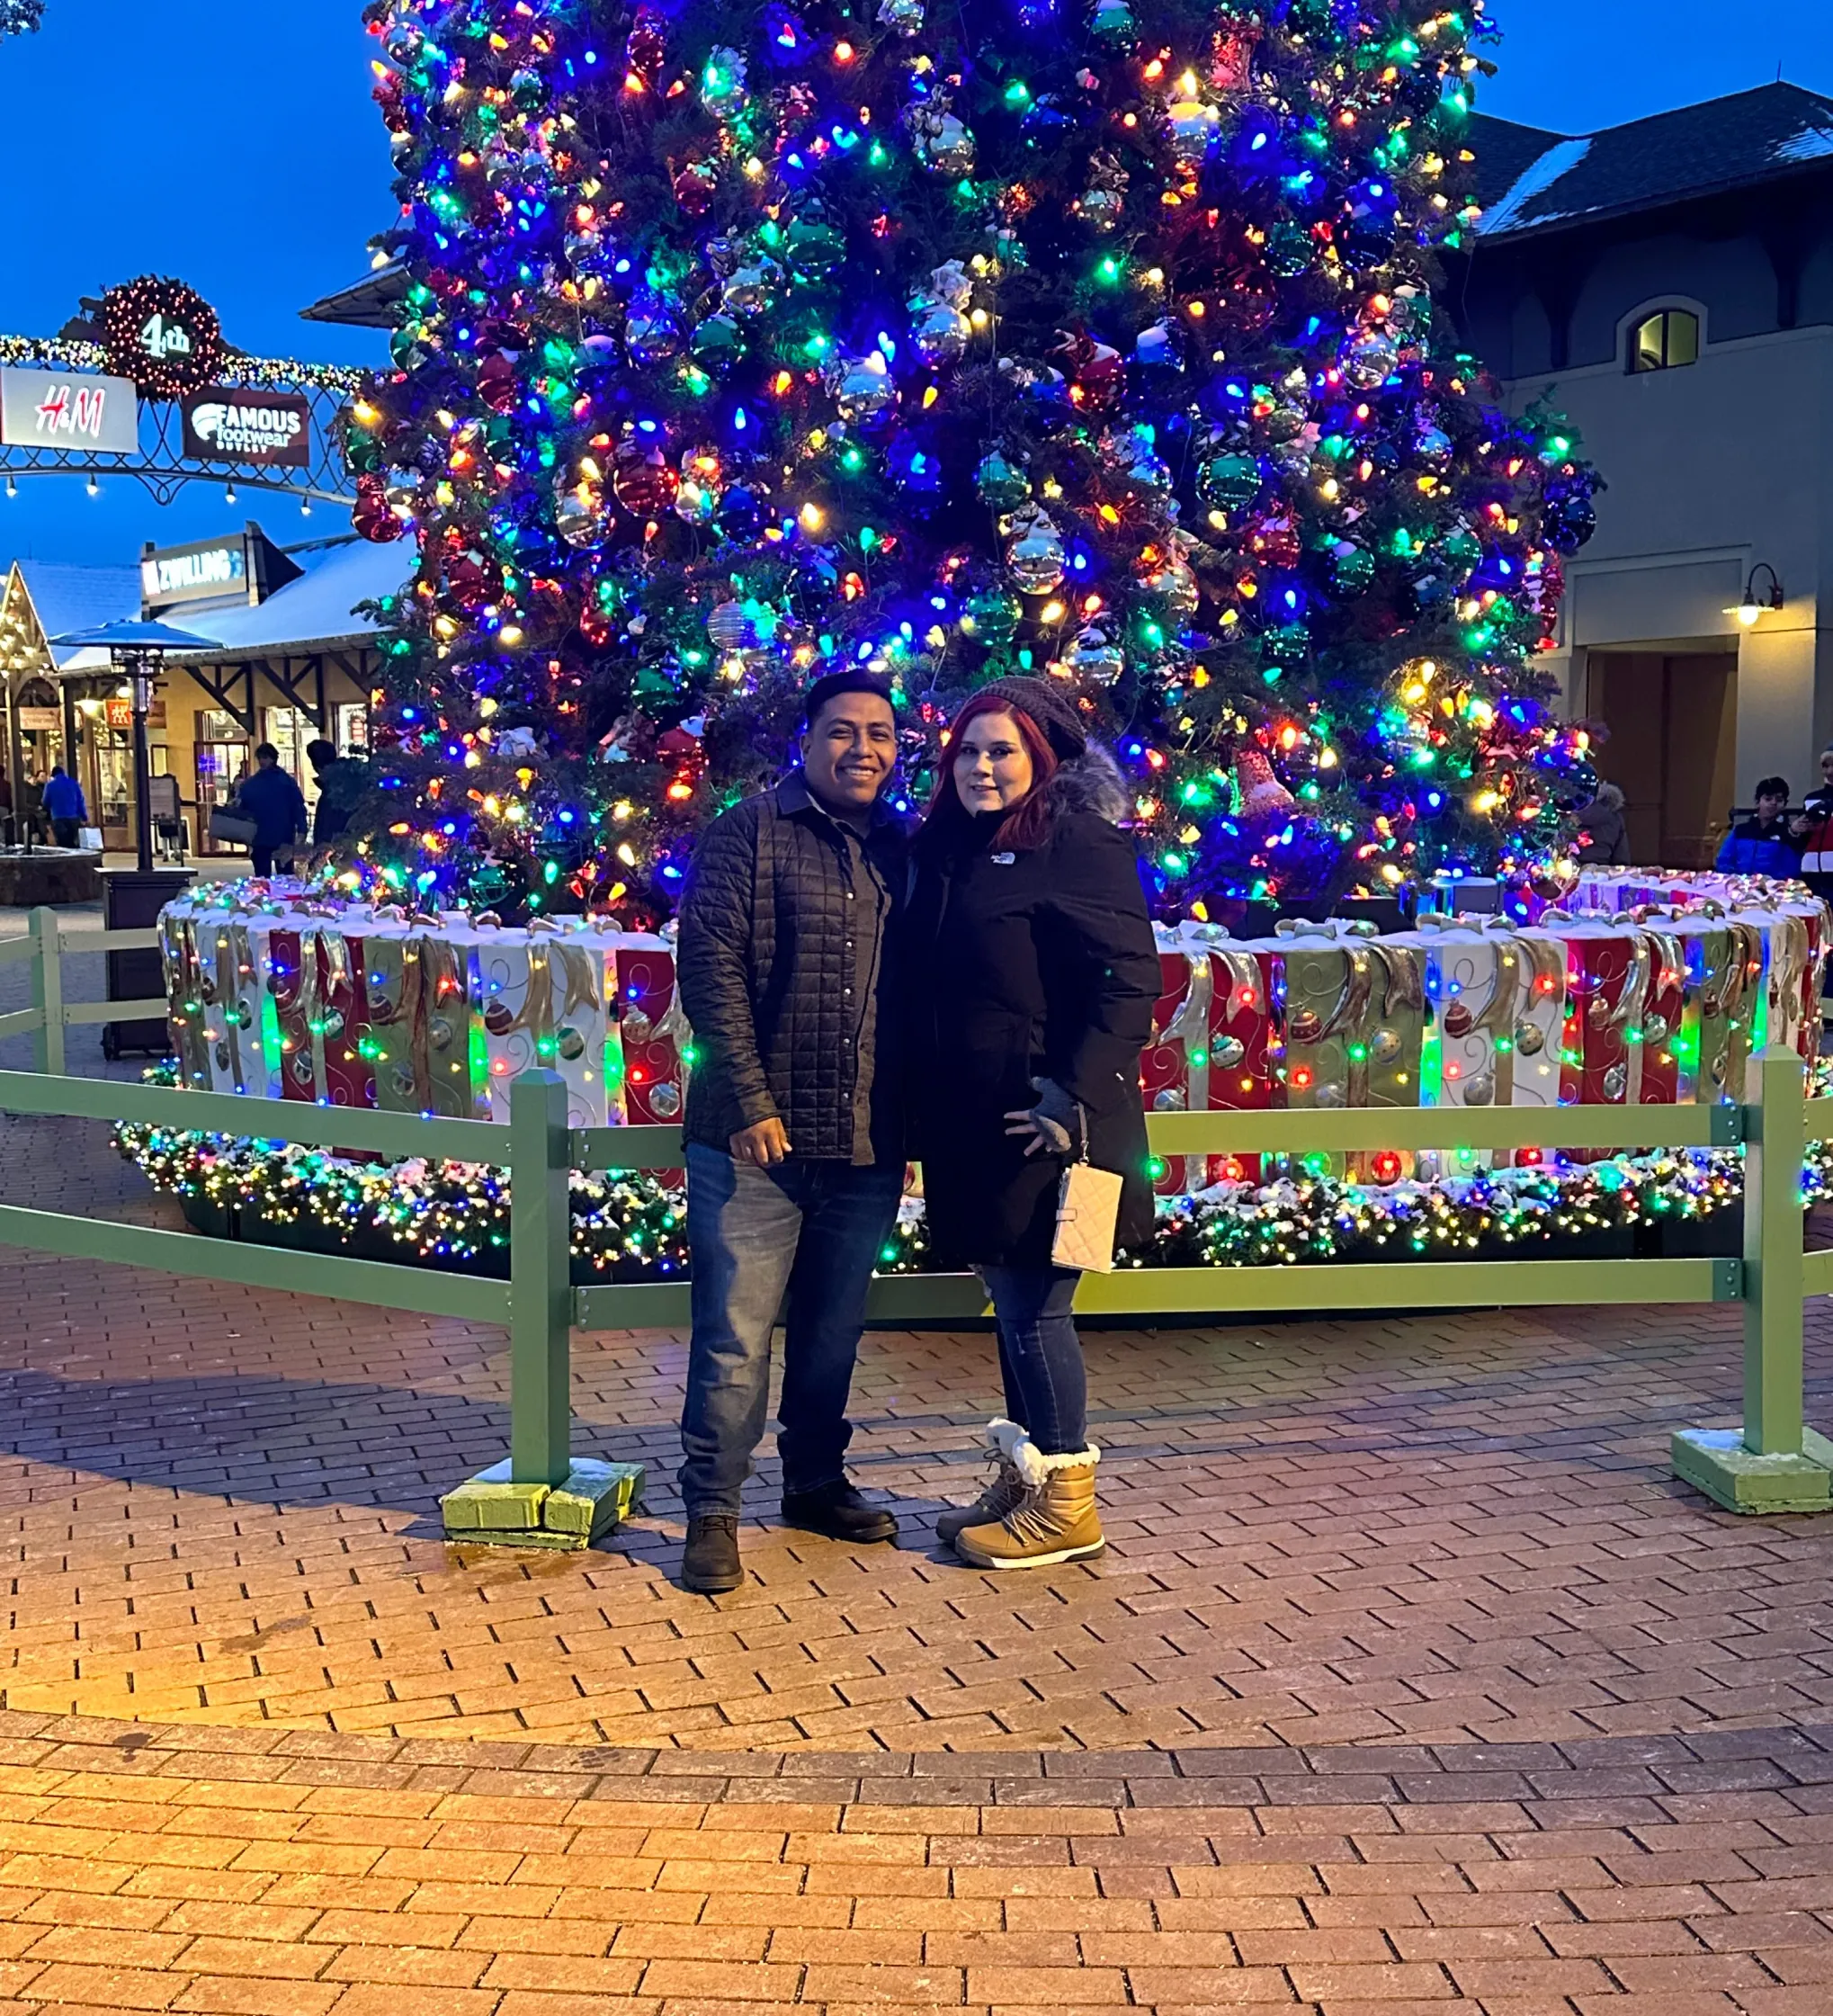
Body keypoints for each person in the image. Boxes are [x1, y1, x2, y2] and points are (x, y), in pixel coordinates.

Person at [904, 678, 1158, 1571]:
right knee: (1012, 1308)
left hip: (1065, 1138)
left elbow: (1131, 980)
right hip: (978, 1129)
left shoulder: (1078, 845)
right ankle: (1026, 1481)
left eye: (1001, 751)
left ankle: (1067, 1506)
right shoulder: (952, 847)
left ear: (1040, 759)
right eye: (968, 751)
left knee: (1036, 1310)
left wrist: (1072, 1094)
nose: (981, 766)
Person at [674, 670, 910, 1594]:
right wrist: (748, 1100)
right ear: (807, 742)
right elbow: (711, 971)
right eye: (844, 732)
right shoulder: (748, 834)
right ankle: (713, 1510)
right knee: (735, 1340)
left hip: (863, 1144)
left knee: (829, 1337)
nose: (864, 750)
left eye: (882, 735)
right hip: (755, 1148)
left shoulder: (901, 846)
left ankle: (813, 1482)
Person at [232, 743, 308, 876]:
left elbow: (243, 808)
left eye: (265, 757)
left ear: (272, 758)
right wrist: (301, 829)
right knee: (284, 876)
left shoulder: (252, 784)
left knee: (263, 877)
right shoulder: (286, 782)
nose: (262, 761)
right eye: (260, 758)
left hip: (263, 836)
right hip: (280, 835)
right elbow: (298, 807)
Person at [1716, 775, 1801, 877]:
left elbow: (1791, 869)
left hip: (1772, 888)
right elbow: (1723, 860)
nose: (1773, 803)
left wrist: (1768, 881)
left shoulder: (1788, 834)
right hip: (1739, 885)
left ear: (1785, 804)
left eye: (1779, 800)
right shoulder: (1740, 831)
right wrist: (1736, 877)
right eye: (1768, 799)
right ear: (1757, 802)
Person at [306, 738, 368, 844]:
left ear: (316, 766)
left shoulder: (332, 789)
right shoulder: (353, 777)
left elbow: (326, 828)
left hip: (342, 849)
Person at [1793, 749, 1833, 904]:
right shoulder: (1811, 799)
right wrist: (1795, 830)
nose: (1830, 771)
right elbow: (1803, 839)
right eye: (1825, 766)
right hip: (1811, 871)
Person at [1573, 781, 1630, 865]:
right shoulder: (1615, 816)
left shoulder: (1565, 813)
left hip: (1565, 871)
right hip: (1604, 872)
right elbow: (1621, 855)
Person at [40, 762, 86, 850]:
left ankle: (66, 862)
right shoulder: (73, 783)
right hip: (73, 817)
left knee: (62, 844)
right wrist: (84, 816)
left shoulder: (49, 785)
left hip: (58, 818)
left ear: (53, 775)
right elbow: (80, 800)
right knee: (73, 843)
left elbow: (45, 802)